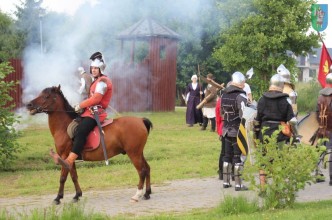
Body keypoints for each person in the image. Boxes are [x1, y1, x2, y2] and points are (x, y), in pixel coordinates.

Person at [50, 52, 113, 171]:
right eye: (92, 68)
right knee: (71, 125)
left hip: (96, 114)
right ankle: (68, 151)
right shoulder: (96, 81)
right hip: (88, 112)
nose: (93, 70)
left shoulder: (103, 81)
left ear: (101, 69)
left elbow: (96, 99)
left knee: (81, 131)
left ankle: (69, 161)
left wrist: (80, 105)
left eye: (96, 68)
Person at [253, 73, 298, 189]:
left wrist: (256, 135)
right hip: (280, 135)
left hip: (264, 133)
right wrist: (296, 135)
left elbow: (257, 120)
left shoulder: (262, 100)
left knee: (264, 160)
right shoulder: (285, 100)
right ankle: (278, 187)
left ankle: (263, 188)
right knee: (279, 161)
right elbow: (292, 121)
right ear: (281, 85)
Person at [220, 72, 249, 191]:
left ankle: (226, 182)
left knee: (227, 156)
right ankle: (238, 184)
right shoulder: (241, 96)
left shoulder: (224, 94)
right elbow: (243, 115)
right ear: (241, 83)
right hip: (237, 131)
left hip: (226, 129)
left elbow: (222, 112)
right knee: (238, 157)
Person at [316, 72, 332, 186]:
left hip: (322, 127)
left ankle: (318, 173)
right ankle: (331, 177)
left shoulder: (320, 96)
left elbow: (316, 113)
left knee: (321, 150)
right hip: (331, 128)